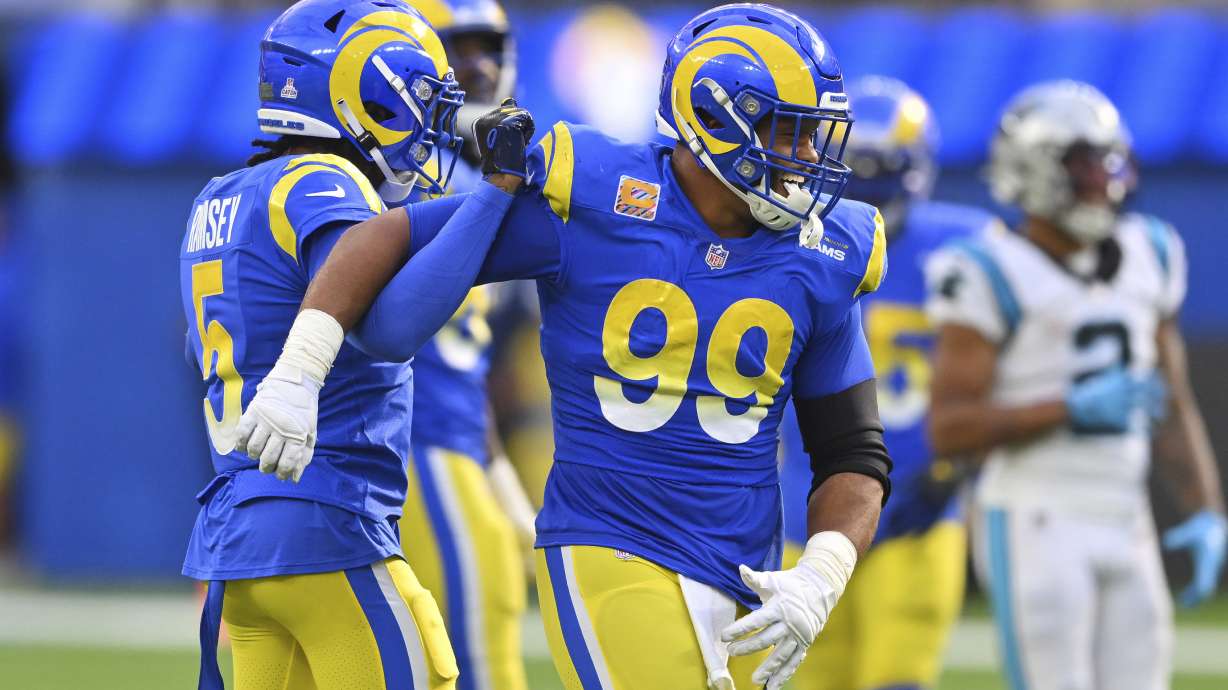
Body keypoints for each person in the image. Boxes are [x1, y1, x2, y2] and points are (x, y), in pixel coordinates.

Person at [237, 5, 893, 690]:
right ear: (716, 117)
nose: (809, 160)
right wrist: (302, 367)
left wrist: (822, 571)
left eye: (815, 138)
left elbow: (852, 451)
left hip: (746, 569)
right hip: (610, 541)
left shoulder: (826, 253)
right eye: (788, 132)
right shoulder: (600, 197)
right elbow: (387, 236)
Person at [178, 1, 535, 688]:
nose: (429, 129)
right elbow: (387, 329)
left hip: (239, 542)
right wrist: (493, 197)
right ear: (357, 93)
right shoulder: (322, 180)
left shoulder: (216, 199)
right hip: (325, 523)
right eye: (418, 103)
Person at [926, 80, 1227, 690]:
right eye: (1086, 166)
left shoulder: (1154, 250)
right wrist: (1067, 407)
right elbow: (950, 428)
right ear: (1036, 170)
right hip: (1035, 515)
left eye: (1111, 162)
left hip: (1126, 511)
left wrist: (1207, 510)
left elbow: (1171, 403)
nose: (1104, 181)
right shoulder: (987, 269)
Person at [778, 76, 1000, 690]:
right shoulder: (794, 241)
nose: (865, 186)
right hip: (804, 502)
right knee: (803, 677)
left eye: (881, 168)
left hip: (917, 506)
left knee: (898, 679)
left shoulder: (968, 247)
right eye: (854, 167)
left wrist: (953, 469)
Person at [399, 2, 536, 689]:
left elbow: (462, 353)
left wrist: (498, 466)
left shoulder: (465, 171)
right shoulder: (405, 172)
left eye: (487, 47)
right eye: (456, 48)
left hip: (454, 442)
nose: (476, 65)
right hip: (416, 450)